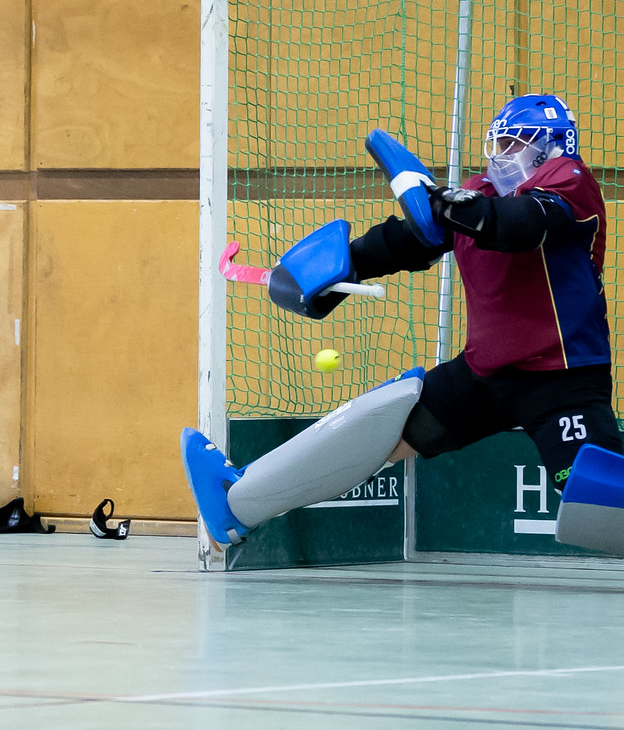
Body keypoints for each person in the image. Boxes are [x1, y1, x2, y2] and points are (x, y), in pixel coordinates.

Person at [183, 95, 623, 556]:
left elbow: (517, 226)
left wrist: (442, 203)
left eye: (518, 143)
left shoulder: (570, 183)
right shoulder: (479, 196)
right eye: (501, 143)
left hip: (562, 381)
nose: (504, 154)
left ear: (553, 146)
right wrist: (343, 266)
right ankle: (238, 504)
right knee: (377, 431)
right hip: (483, 377)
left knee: (600, 499)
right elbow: (411, 240)